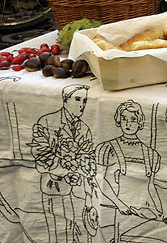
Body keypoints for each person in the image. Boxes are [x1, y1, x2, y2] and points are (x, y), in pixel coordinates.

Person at [30, 84, 94, 243]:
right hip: (55, 188)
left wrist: (83, 172)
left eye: (85, 101)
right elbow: (40, 155)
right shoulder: (46, 121)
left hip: (78, 192)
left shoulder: (85, 128)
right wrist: (66, 173)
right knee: (59, 233)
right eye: (78, 99)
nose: (82, 105)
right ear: (65, 100)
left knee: (82, 234)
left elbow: (88, 156)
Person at [96, 100, 163, 240]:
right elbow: (102, 180)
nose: (128, 123)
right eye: (124, 119)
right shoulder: (109, 148)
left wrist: (159, 210)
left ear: (139, 123)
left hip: (146, 214)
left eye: (133, 119)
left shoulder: (150, 153)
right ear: (118, 121)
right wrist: (119, 204)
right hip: (121, 212)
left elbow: (150, 186)